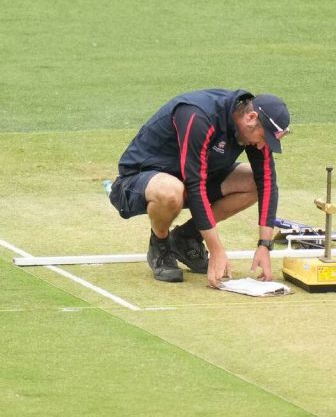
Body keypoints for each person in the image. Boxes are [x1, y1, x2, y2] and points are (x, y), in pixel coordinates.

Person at [109, 89, 290, 287]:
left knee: (253, 182)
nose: (262, 145)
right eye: (264, 137)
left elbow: (266, 181)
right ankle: (160, 244)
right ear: (251, 117)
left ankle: (186, 238)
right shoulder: (199, 116)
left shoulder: (249, 129)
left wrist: (264, 245)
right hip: (138, 181)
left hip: (189, 180)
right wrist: (216, 250)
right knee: (171, 191)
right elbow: (195, 185)